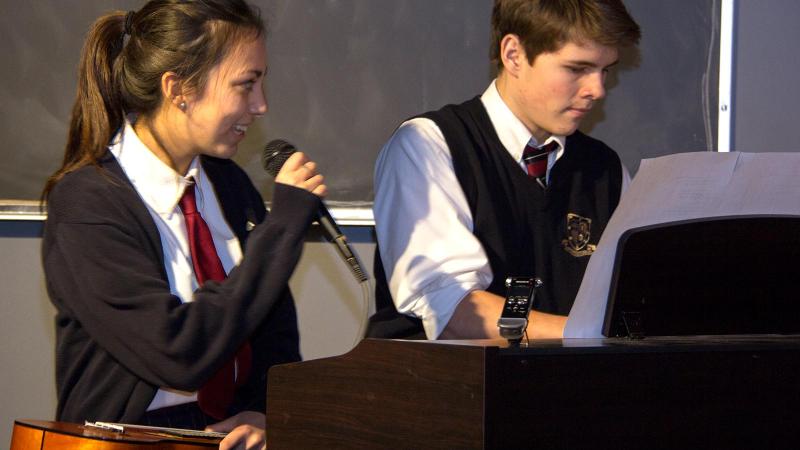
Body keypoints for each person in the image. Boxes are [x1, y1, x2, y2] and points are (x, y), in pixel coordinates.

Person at [40, 1, 325, 449]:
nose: (261, 105)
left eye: (262, 82)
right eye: (245, 85)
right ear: (179, 89)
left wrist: (262, 410)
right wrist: (282, 230)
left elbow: (270, 325)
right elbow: (178, 354)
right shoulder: (88, 203)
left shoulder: (229, 185)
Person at [368, 0, 641, 340]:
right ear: (513, 54)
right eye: (576, 69)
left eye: (606, 71)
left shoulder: (606, 170)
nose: (596, 90)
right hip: (447, 387)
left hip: (571, 386)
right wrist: (587, 335)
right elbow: (454, 311)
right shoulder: (430, 146)